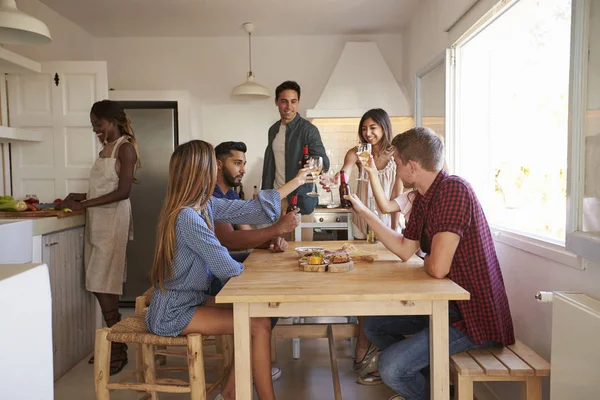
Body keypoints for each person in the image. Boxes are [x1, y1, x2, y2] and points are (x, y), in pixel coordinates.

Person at [343, 127, 515, 400]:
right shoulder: (424, 198)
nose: (396, 171)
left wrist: (428, 259)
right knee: (374, 325)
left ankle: (423, 392)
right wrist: (363, 211)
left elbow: (437, 268)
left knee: (391, 368)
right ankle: (434, 390)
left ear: (412, 166)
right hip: (449, 308)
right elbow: (404, 249)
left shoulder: (454, 190)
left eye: (398, 164)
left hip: (474, 319)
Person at [146, 140, 312, 400]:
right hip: (174, 311)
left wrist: (297, 181)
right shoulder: (187, 217)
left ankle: (231, 393)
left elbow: (251, 209)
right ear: (202, 169)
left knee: (259, 319)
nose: (217, 166)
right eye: (213, 162)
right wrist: (263, 277)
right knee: (257, 325)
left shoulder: (206, 205)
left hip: (192, 301)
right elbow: (224, 264)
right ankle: (244, 395)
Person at [57, 99, 141, 375]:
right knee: (97, 280)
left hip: (114, 220)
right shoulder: (104, 148)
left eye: (98, 123)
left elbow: (123, 191)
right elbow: (103, 187)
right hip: (98, 220)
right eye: (93, 124)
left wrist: (85, 204)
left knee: (105, 281)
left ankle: (117, 345)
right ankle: (117, 341)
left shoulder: (124, 148)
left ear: (112, 121)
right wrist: (79, 197)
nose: (95, 128)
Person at [324, 109, 403, 377]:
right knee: (362, 288)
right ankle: (364, 343)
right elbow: (343, 174)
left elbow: (397, 197)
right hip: (361, 229)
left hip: (387, 230)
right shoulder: (356, 154)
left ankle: (374, 346)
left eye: (373, 128)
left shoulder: (396, 155)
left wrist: (394, 235)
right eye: (364, 128)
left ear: (384, 127)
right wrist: (335, 179)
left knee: (383, 289)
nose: (368, 133)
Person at [213, 140, 300, 382]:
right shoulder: (211, 195)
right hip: (211, 274)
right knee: (266, 304)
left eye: (243, 163)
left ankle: (251, 365)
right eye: (237, 163)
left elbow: (246, 234)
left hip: (226, 263)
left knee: (273, 297)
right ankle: (248, 369)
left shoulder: (230, 193)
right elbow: (229, 240)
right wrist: (275, 230)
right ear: (219, 165)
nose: (242, 169)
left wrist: (271, 241)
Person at [261, 80, 329, 239]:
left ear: (298, 103)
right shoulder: (273, 130)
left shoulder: (309, 130)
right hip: (277, 199)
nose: (289, 106)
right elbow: (270, 165)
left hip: (301, 201)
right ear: (277, 102)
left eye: (293, 101)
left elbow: (324, 163)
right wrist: (264, 194)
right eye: (284, 101)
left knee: (302, 252)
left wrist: (311, 163)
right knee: (278, 250)